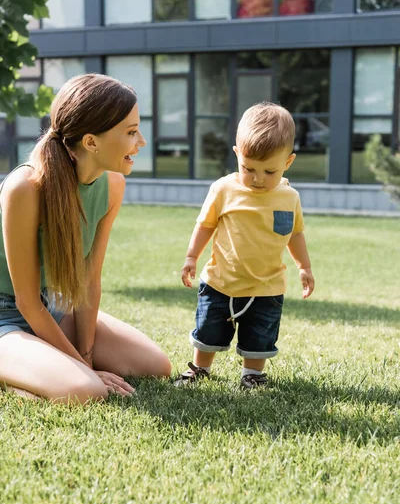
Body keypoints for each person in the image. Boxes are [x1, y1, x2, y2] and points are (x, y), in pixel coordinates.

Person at [0, 74, 171, 404]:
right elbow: (26, 303)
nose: (142, 142)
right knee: (86, 391)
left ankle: (42, 368)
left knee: (155, 366)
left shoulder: (113, 186)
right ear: (92, 142)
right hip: (7, 313)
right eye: (131, 132)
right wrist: (85, 372)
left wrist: (87, 356)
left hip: (52, 307)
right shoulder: (25, 188)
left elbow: (90, 282)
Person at [175, 102, 314, 389]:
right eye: (248, 168)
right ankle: (200, 367)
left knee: (259, 334)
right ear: (237, 154)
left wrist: (305, 267)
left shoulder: (289, 198)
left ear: (288, 162)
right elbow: (205, 224)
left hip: (268, 286)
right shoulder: (224, 189)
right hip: (220, 282)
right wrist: (191, 256)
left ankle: (252, 374)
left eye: (269, 172)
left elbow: (296, 234)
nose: (258, 179)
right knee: (209, 328)